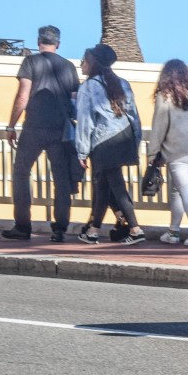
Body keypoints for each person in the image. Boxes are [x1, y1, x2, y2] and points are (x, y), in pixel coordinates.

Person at [3, 25, 79, 242]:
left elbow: (22, 96)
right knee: (61, 179)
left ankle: (22, 225)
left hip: (34, 127)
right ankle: (60, 229)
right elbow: (75, 101)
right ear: (58, 44)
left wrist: (11, 126)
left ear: (38, 42)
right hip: (61, 130)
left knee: (21, 174)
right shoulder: (68, 67)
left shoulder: (30, 62)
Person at [75, 44, 145, 245]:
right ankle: (93, 230)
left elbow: (85, 121)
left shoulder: (88, 87)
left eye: (84, 61)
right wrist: (135, 141)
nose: (81, 65)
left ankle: (135, 229)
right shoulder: (123, 83)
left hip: (104, 141)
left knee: (116, 186)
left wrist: (82, 151)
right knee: (104, 185)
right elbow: (135, 117)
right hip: (123, 138)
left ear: (92, 63)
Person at [146, 59, 188, 246]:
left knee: (186, 192)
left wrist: (152, 155)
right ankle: (173, 231)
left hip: (177, 152)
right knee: (178, 191)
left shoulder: (164, 97)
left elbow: (159, 128)